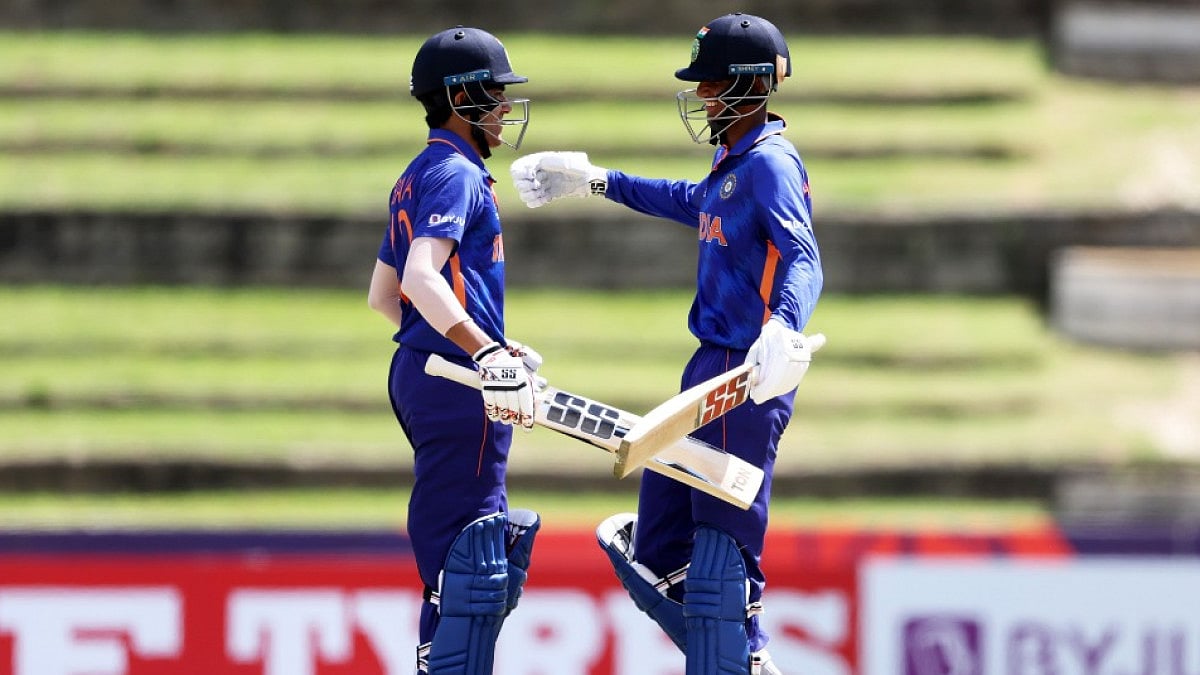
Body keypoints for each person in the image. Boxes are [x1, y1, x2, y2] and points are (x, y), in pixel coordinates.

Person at [510, 13, 822, 675]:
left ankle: (742, 643)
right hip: (707, 362)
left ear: (750, 85)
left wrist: (783, 327)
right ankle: (738, 648)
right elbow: (688, 199)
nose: (702, 96)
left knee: (721, 550)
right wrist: (596, 179)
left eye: (712, 84)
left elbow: (802, 254)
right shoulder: (731, 161)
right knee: (656, 551)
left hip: (749, 369)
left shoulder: (769, 163)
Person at [366, 25, 542, 674]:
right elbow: (417, 278)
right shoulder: (457, 174)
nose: (504, 108)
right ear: (462, 99)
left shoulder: (416, 174)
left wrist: (486, 338)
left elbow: (382, 297)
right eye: (495, 94)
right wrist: (484, 353)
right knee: (469, 563)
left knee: (476, 544)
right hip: (458, 383)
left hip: (420, 372)